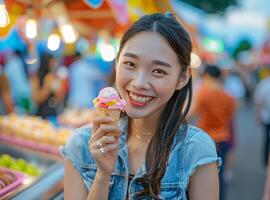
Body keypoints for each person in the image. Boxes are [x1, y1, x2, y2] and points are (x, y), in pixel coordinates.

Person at [62, 13, 220, 199]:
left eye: (158, 71)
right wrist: (102, 176)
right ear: (117, 62)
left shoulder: (196, 150)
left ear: (182, 78)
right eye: (130, 63)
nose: (139, 82)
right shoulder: (81, 145)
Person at [189, 64, 236, 200]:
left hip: (206, 139)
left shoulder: (204, 92)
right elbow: (230, 117)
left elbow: (193, 112)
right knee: (219, 176)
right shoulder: (229, 97)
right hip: (223, 137)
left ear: (208, 76)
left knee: (202, 177)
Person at [30, 53, 66, 119]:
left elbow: (59, 98)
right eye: (52, 63)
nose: (54, 65)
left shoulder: (53, 76)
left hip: (54, 112)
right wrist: (47, 86)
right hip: (41, 114)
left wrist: (60, 84)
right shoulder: (36, 77)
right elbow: (36, 100)